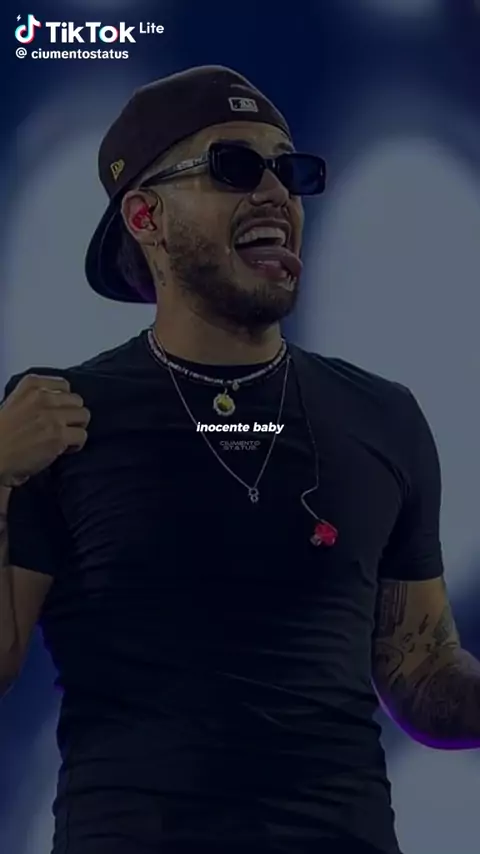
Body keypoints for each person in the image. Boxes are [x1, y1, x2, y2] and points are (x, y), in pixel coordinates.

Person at [0, 65, 478, 854]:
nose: (276, 194)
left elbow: (422, 674)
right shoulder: (58, 414)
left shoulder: (383, 416)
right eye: (235, 167)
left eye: (291, 171)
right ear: (146, 216)